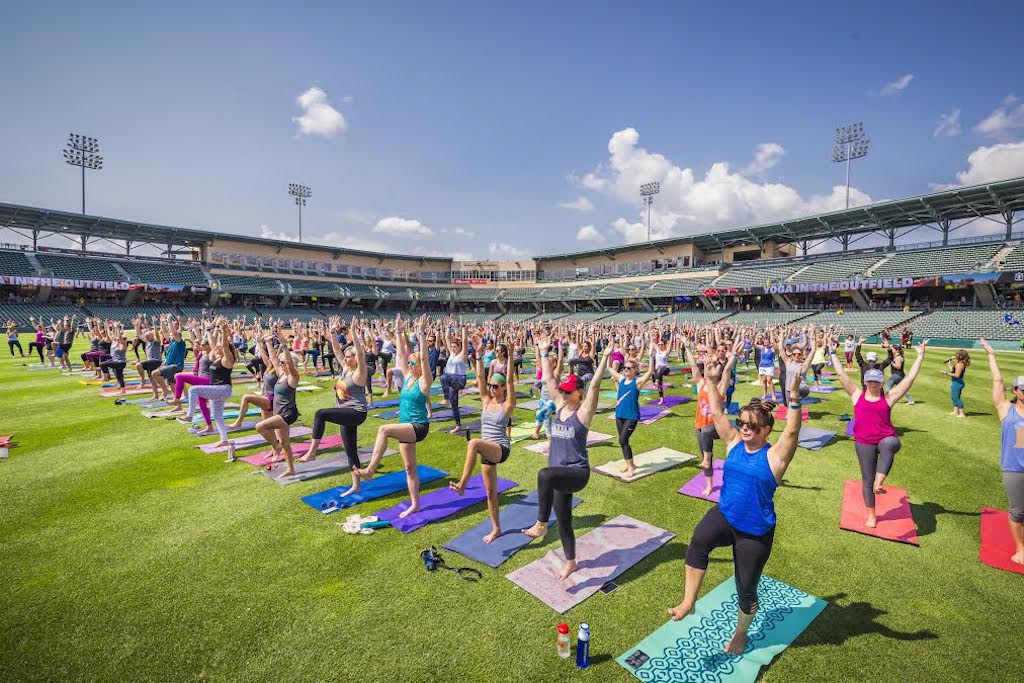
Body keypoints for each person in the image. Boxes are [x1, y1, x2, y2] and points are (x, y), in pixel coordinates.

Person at [667, 366, 804, 655]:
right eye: (741, 422)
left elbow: (791, 430)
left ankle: (740, 633)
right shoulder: (733, 443)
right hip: (725, 514)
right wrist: (712, 382)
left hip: (755, 531)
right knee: (699, 541)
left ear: (766, 430)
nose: (744, 428)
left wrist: (793, 397)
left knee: (746, 589)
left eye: (751, 426)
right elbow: (717, 414)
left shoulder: (775, 456)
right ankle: (689, 601)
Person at [521, 339, 613, 580]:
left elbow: (594, 387)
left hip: (577, 473)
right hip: (559, 476)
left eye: (567, 391)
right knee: (564, 521)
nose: (562, 392)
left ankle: (541, 523)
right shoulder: (560, 405)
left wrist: (604, 358)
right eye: (562, 390)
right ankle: (571, 562)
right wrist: (542, 350)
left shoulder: (583, 413)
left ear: (578, 394)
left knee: (544, 474)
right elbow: (549, 379)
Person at [830, 338, 927, 527]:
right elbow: (841, 374)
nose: (873, 384)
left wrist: (920, 356)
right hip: (863, 442)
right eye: (870, 381)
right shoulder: (857, 395)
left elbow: (909, 380)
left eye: (876, 382)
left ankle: (879, 482)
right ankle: (871, 515)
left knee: (891, 443)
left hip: (885, 438)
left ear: (881, 383)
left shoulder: (889, 397)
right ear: (866, 382)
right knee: (866, 479)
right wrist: (832, 353)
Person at [355, 317, 434, 518]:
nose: (409, 364)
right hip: (405, 425)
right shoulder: (407, 376)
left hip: (418, 426)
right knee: (409, 468)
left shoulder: (424, 381)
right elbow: (400, 355)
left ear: (419, 365)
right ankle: (415, 504)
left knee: (384, 429)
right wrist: (398, 332)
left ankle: (371, 470)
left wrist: (422, 335)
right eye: (409, 362)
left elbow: (424, 359)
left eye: (412, 362)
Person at [449, 335, 517, 543]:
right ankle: (496, 528)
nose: (491, 389)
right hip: (488, 452)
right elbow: (479, 378)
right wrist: (478, 353)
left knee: (473, 442)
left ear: (503, 388)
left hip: (500, 448)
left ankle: (462, 484)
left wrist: (512, 356)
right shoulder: (486, 401)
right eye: (491, 386)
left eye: (496, 386)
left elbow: (510, 381)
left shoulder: (507, 405)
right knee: (490, 493)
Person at [301, 317, 370, 488]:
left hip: (356, 412)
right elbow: (337, 350)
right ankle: (356, 484)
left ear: (355, 358)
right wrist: (332, 332)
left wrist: (354, 334)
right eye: (345, 357)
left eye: (349, 357)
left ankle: (312, 452)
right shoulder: (346, 368)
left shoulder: (359, 374)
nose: (345, 359)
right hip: (345, 413)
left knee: (321, 414)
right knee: (350, 451)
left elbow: (360, 355)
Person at [978, 338, 1024, 565]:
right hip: (1014, 469)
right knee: (1018, 511)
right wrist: (991, 355)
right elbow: (997, 381)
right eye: (1023, 389)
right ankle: (1020, 549)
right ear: (1015, 390)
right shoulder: (1007, 409)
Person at [689, 334, 739, 497]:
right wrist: (686, 347)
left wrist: (734, 355)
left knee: (706, 432)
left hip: (717, 426)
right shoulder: (702, 383)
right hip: (700, 424)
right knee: (705, 454)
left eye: (716, 368)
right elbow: (693, 366)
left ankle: (708, 459)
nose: (714, 370)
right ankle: (709, 485)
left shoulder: (722, 387)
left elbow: (727, 370)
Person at [178, 320, 236, 447]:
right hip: (217, 390)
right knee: (217, 416)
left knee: (193, 390)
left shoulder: (228, 359)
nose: (218, 347)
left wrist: (224, 330)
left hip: (223, 389)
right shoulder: (216, 358)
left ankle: (189, 416)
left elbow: (225, 346)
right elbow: (213, 343)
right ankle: (224, 440)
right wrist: (209, 329)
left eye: (221, 346)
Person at [606, 342, 654, 480]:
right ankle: (629, 464)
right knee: (623, 442)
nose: (626, 369)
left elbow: (650, 372)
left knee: (622, 439)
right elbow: (609, 367)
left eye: (629, 368)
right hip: (619, 415)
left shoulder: (637, 382)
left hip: (631, 416)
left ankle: (631, 467)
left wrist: (650, 356)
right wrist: (608, 354)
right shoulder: (621, 379)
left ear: (635, 370)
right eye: (625, 367)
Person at [257, 335, 302, 479]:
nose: (281, 364)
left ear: (289, 364)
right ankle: (291, 469)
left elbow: (288, 361)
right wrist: (268, 342)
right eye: (281, 362)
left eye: (284, 362)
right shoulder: (281, 374)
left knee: (260, 426)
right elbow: (273, 358)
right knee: (284, 442)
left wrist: (283, 344)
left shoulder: (292, 378)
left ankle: (275, 447)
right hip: (279, 412)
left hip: (288, 413)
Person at [439, 326, 469, 435]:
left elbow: (465, 342)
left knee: (443, 377)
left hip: (459, 380)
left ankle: (445, 398)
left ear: (459, 347)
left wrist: (464, 330)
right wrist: (447, 327)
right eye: (451, 347)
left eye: (455, 347)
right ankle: (458, 425)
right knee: (454, 404)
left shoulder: (462, 355)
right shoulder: (451, 354)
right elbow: (447, 338)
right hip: (451, 382)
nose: (452, 348)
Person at [945, 349, 970, 418]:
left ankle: (962, 414)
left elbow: (956, 375)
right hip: (956, 382)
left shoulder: (959, 364)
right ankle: (955, 411)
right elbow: (954, 372)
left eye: (957, 354)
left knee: (956, 398)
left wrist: (946, 373)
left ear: (961, 356)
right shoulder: (959, 363)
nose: (956, 355)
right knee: (954, 397)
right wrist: (949, 364)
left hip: (957, 383)